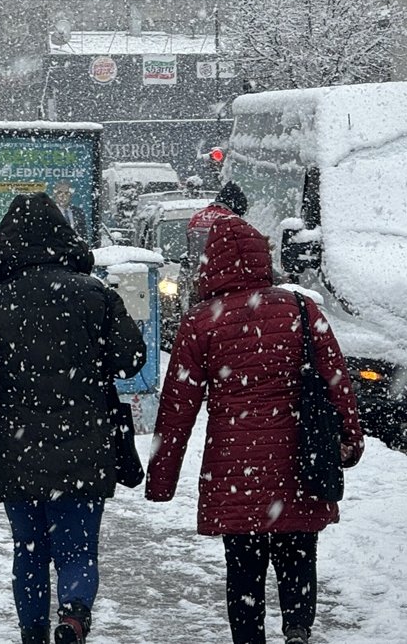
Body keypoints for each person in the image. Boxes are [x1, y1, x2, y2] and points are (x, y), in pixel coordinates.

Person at [144, 214, 365, 644]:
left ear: (212, 263)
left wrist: (161, 478)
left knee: (243, 568)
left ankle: (249, 637)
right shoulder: (302, 308)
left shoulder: (201, 323)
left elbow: (176, 411)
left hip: (234, 471)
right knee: (298, 553)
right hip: (297, 463)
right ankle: (298, 629)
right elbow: (338, 382)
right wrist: (349, 441)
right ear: (263, 257)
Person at [0, 193, 146, 644]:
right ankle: (73, 616)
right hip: (85, 446)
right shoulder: (94, 295)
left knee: (29, 550)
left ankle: (33, 631)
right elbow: (132, 358)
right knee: (78, 547)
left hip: (16, 451)